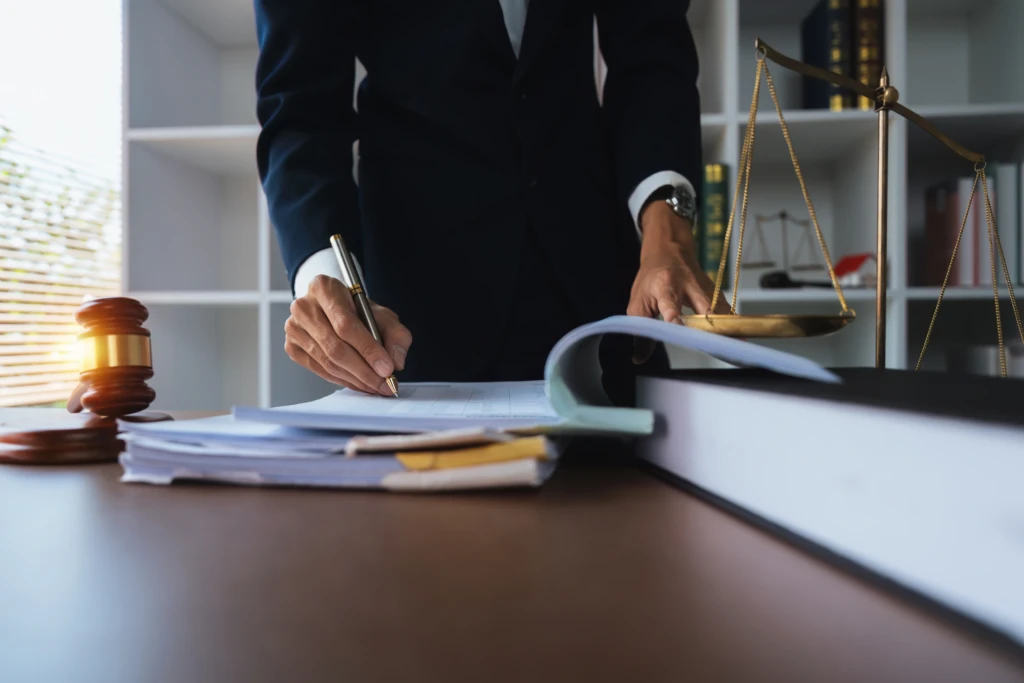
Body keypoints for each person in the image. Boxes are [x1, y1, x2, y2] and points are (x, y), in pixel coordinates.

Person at [254, 0, 727, 403]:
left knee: (636, 504)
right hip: (411, 307)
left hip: (600, 287)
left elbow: (651, 56)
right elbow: (300, 109)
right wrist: (329, 279)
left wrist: (669, 235)